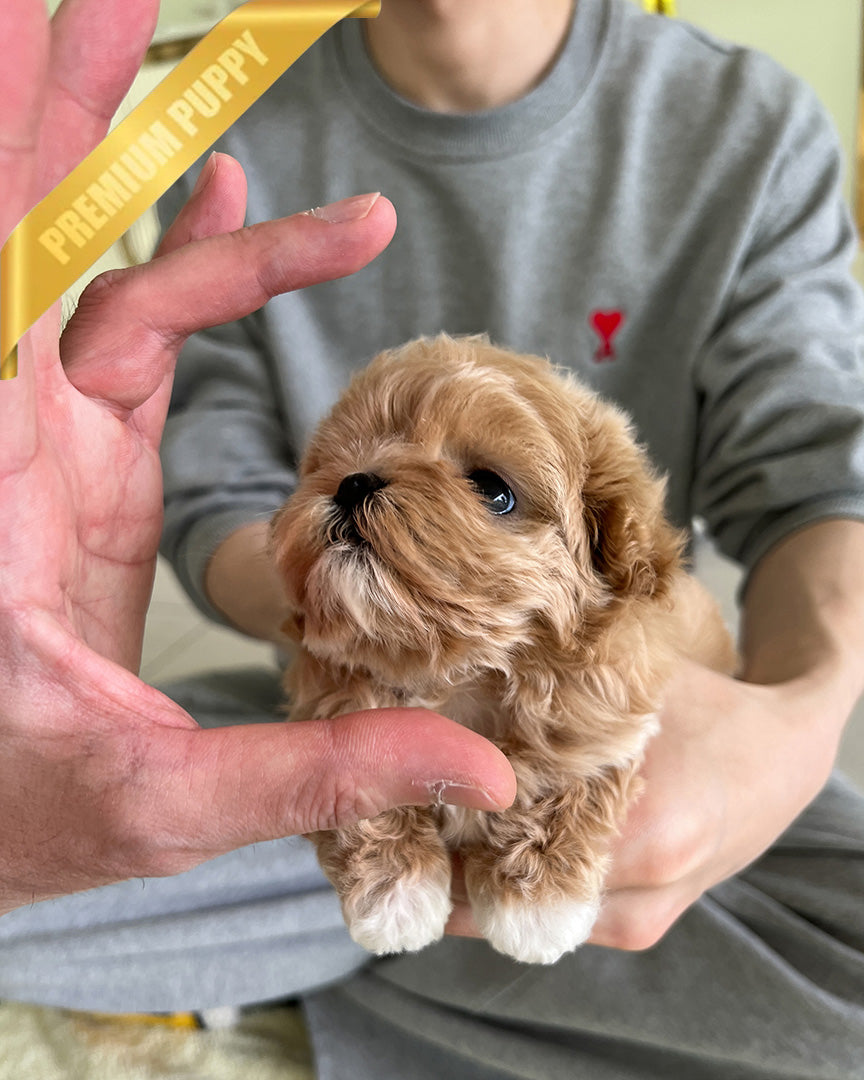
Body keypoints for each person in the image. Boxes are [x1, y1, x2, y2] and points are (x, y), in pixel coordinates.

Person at [2, 0, 863, 1077]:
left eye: (488, 486)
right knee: (38, 841)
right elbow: (225, 490)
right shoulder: (233, 125)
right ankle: (449, 957)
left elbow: (817, 470)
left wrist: (795, 726)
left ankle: (290, 958)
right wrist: (362, 611)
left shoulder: (749, 121)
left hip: (658, 733)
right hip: (334, 706)